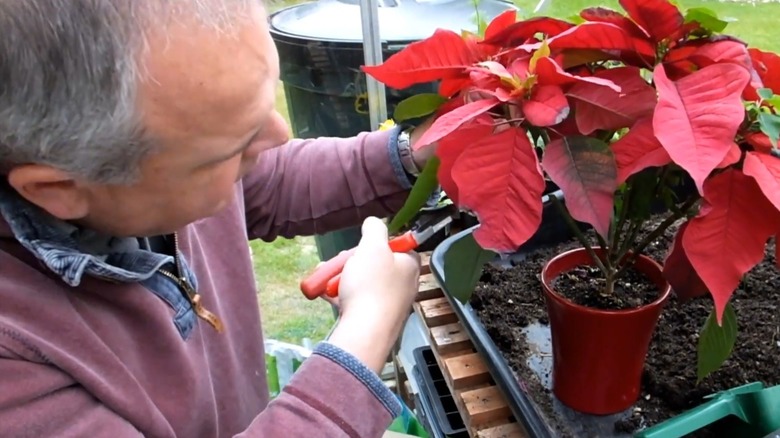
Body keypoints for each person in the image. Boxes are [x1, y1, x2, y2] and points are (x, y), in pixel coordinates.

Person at [0, 1, 438, 437]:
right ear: (58, 189)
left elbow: (267, 179)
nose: (279, 134)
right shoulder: (14, 360)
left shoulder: (142, 168)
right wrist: (367, 330)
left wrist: (414, 154)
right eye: (230, 149)